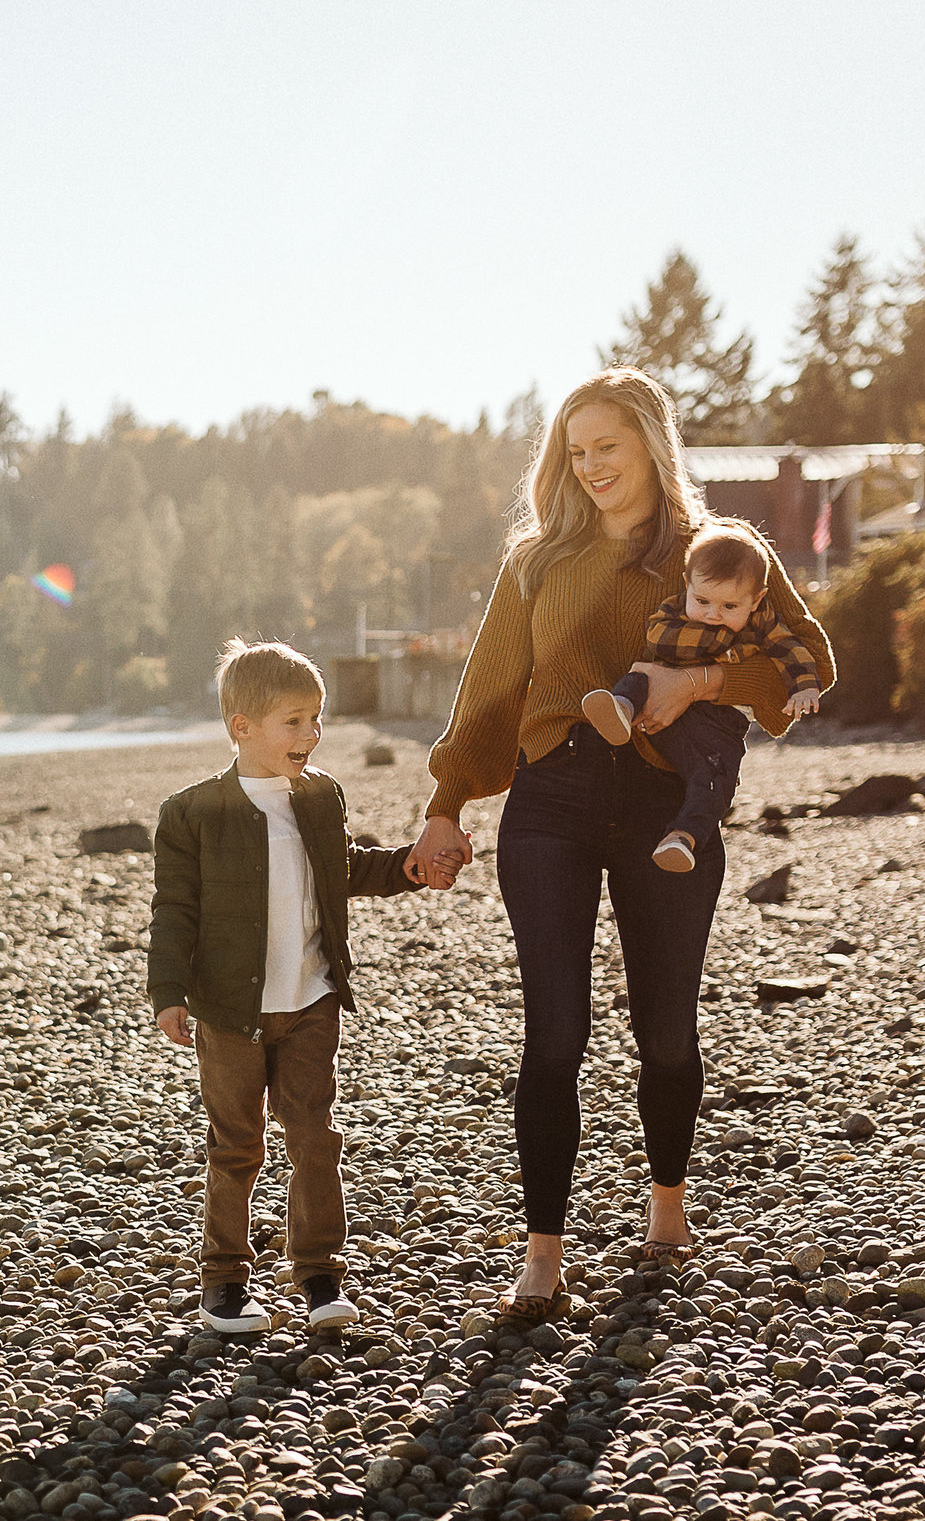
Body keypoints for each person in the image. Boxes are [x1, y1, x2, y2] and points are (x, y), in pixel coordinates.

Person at [403, 368, 833, 1320]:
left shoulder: (717, 551)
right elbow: (491, 691)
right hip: (551, 794)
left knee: (666, 1030)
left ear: (651, 444)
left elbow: (800, 666)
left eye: (609, 445)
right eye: (575, 450)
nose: (591, 466)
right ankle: (543, 1256)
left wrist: (701, 688)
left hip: (662, 801)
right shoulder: (537, 561)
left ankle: (668, 1207)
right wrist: (447, 803)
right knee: (553, 1033)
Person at [147, 640, 425, 1335]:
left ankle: (321, 1274)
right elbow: (173, 908)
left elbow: (346, 868)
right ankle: (224, 1284)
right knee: (236, 1146)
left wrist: (411, 866)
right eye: (293, 721)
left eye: (315, 719)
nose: (311, 734)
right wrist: (168, 992)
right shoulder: (192, 811)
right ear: (242, 726)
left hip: (310, 999)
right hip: (229, 1011)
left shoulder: (322, 793)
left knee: (313, 1136)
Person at [579, 520, 825, 873]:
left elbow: (792, 649)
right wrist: (729, 645)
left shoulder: (764, 620)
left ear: (756, 600)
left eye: (729, 607)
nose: (712, 614)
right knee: (638, 677)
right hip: (652, 706)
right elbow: (659, 639)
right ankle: (619, 710)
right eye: (703, 601)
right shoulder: (675, 609)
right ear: (687, 584)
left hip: (717, 727)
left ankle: (683, 837)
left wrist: (804, 685)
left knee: (716, 779)